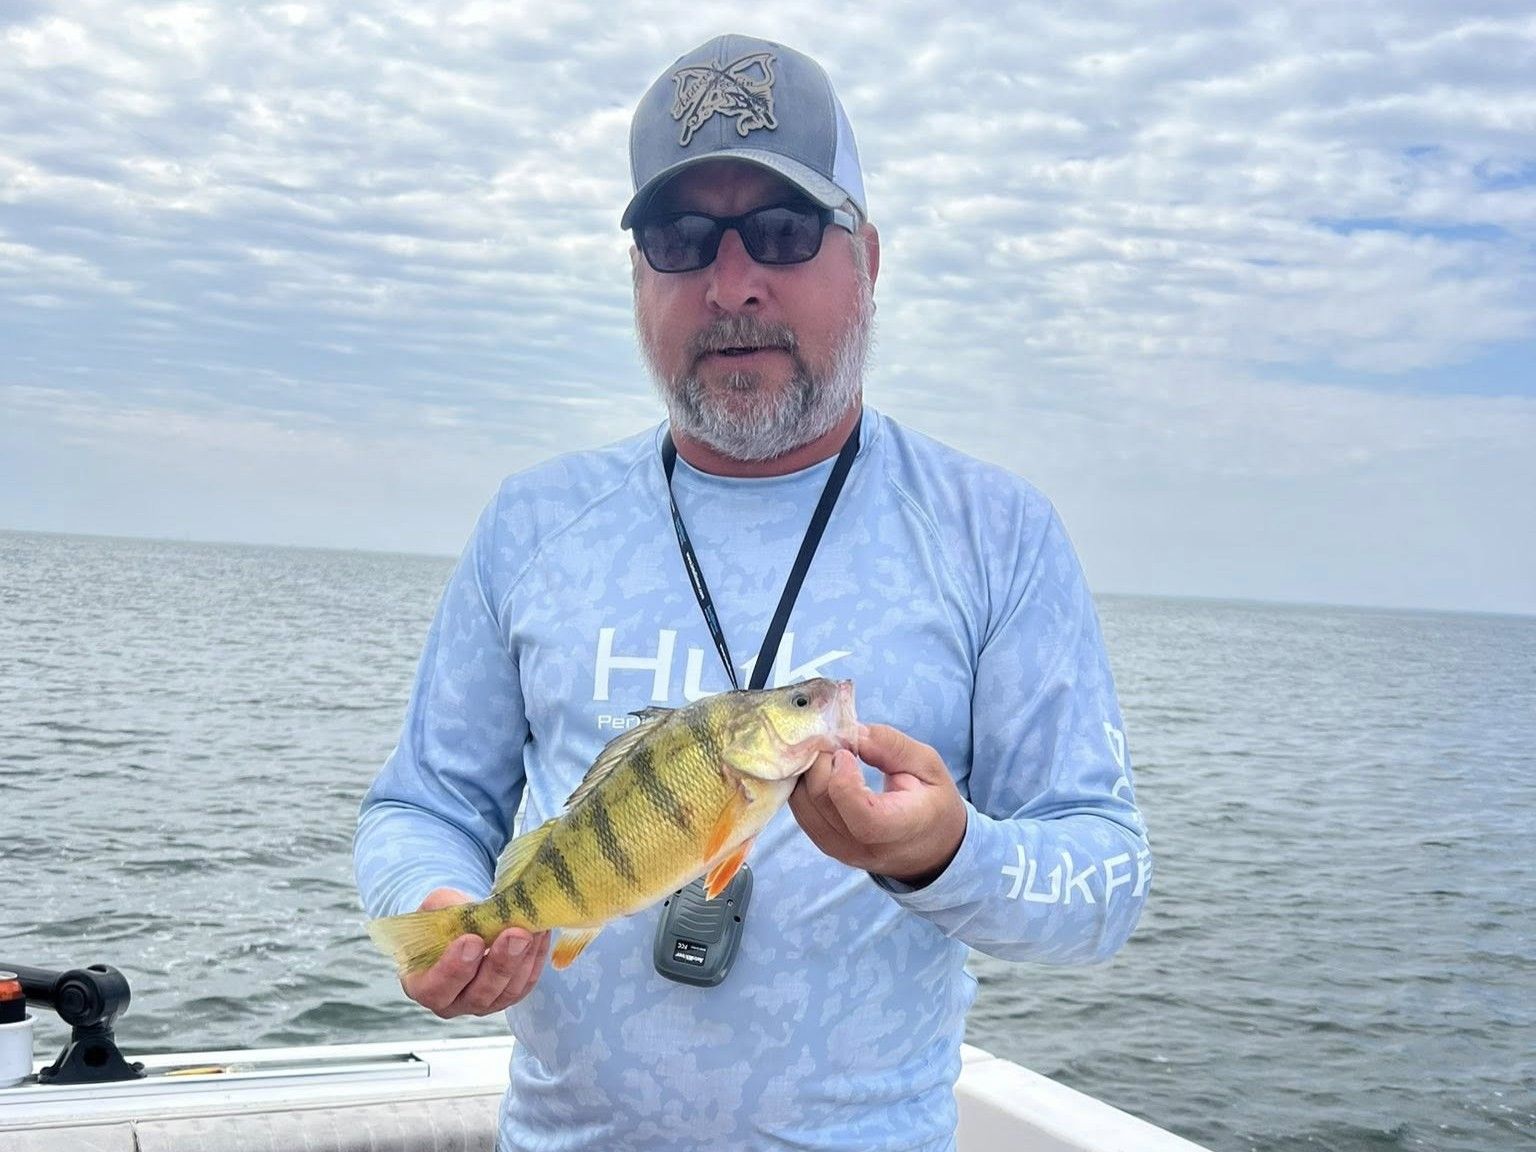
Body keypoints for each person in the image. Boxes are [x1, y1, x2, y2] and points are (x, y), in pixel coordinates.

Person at [355, 33, 1151, 1152]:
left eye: (782, 230)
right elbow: (419, 807)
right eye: (681, 239)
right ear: (639, 277)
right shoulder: (532, 525)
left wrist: (942, 852)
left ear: (866, 258)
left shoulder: (996, 534)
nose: (734, 283)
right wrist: (440, 903)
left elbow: (1107, 880)